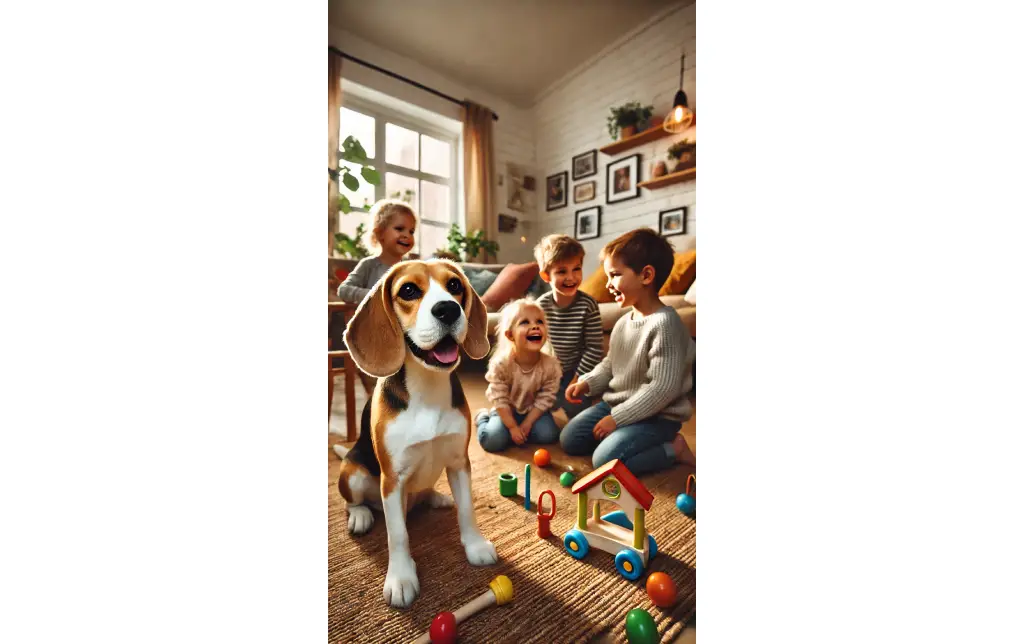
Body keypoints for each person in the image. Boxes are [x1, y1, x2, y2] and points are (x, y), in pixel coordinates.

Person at [560, 228, 695, 475]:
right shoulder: (623, 323)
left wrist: (618, 419)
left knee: (604, 461)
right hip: (618, 403)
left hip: (658, 417)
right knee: (570, 439)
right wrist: (587, 383)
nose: (609, 284)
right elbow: (611, 364)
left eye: (615, 275)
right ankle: (624, 439)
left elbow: (662, 389)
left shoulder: (666, 324)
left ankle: (673, 449)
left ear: (646, 275)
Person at [532, 234, 604, 422]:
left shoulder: (588, 305)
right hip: (547, 373)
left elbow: (594, 348)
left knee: (575, 409)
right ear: (546, 275)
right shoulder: (540, 306)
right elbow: (534, 345)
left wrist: (578, 380)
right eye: (562, 271)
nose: (571, 277)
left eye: (576, 269)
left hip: (576, 372)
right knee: (530, 405)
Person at [475, 299, 562, 453]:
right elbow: (500, 399)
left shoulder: (551, 365)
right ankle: (482, 418)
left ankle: (520, 430)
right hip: (505, 410)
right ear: (510, 335)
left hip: (532, 410)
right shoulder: (501, 364)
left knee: (549, 435)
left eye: (539, 321)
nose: (535, 326)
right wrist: (512, 427)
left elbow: (545, 398)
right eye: (525, 322)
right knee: (493, 440)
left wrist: (527, 424)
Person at [335, 198, 416, 304]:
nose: (407, 235)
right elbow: (344, 290)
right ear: (379, 233)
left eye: (411, 231)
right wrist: (375, 296)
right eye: (399, 229)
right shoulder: (369, 265)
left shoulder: (411, 269)